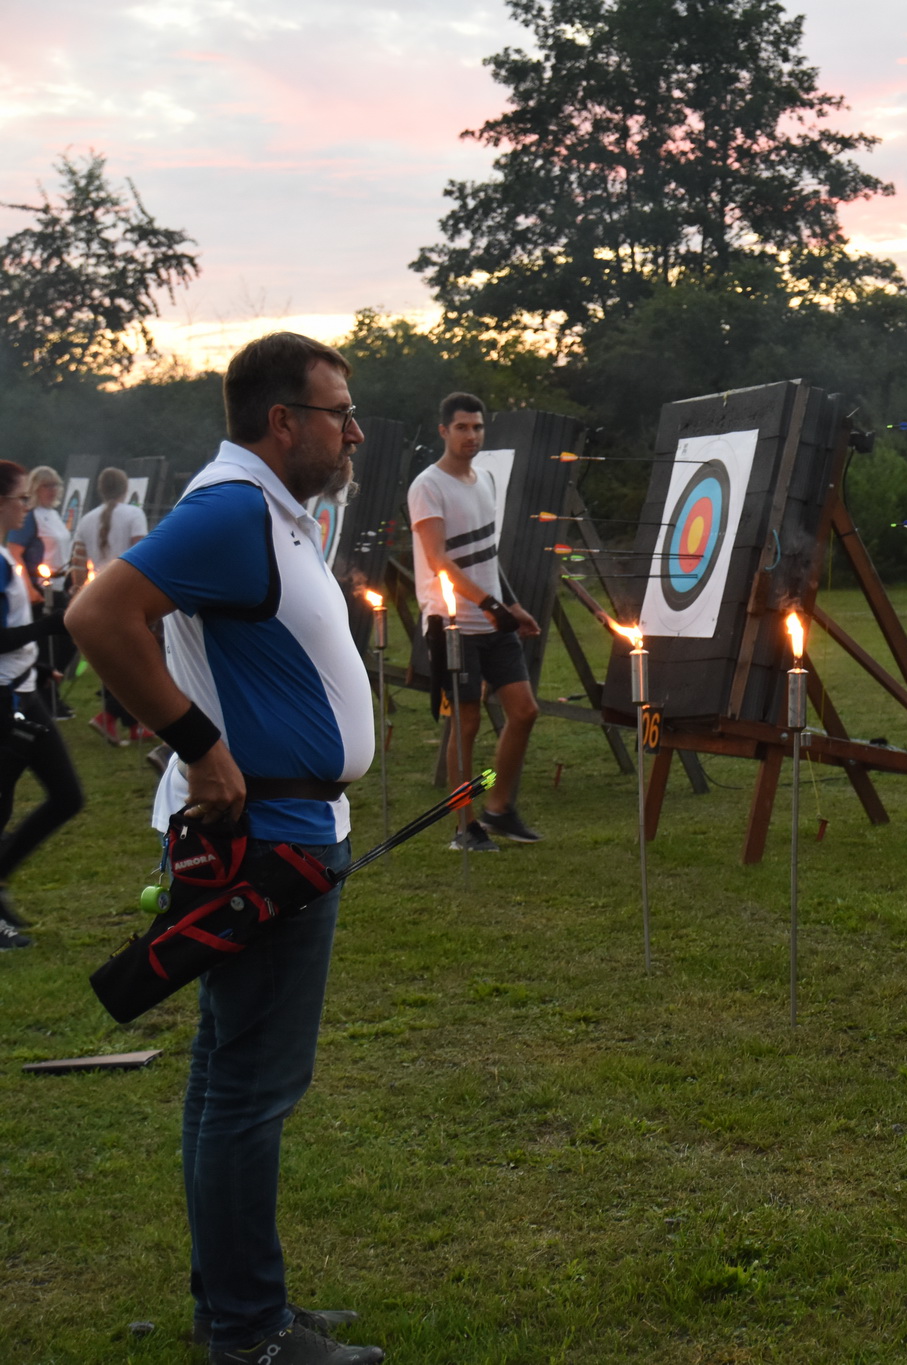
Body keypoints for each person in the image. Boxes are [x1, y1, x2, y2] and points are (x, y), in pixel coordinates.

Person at [67, 332, 384, 1365]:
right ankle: (250, 1330)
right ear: (282, 421)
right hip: (268, 844)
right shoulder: (234, 509)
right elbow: (99, 613)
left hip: (291, 831)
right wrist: (200, 747)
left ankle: (234, 1303)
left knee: (229, 1078)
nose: (353, 432)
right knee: (251, 1090)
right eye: (338, 413)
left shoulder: (271, 512)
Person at [408, 391, 543, 851]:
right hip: (453, 624)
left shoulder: (484, 479)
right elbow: (438, 559)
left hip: (492, 618)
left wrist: (511, 605)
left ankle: (498, 808)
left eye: (478, 427)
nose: (471, 435)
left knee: (524, 711)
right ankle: (464, 827)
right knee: (466, 723)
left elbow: (487, 555)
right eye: (462, 428)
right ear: (443, 431)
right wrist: (489, 605)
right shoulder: (428, 486)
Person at [0, 461, 81, 950]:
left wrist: (39, 662)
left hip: (23, 689)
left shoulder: (5, 559)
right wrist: (47, 627)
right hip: (6, 697)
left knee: (67, 796)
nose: (25, 507)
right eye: (20, 498)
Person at [72, 466, 150, 745]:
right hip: (128, 594)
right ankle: (110, 715)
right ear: (125, 489)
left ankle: (135, 724)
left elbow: (78, 562)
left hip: (97, 594)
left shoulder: (86, 519)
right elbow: (143, 554)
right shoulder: (134, 514)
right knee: (134, 661)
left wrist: (78, 592)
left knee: (117, 658)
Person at [20, 466, 75, 719]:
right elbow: (16, 551)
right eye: (46, 485)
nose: (52, 490)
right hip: (40, 590)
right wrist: (29, 588)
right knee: (47, 647)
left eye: (55, 485)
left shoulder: (53, 515)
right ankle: (46, 701)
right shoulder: (30, 517)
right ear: (35, 488)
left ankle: (51, 695)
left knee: (68, 641)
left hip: (59, 586)